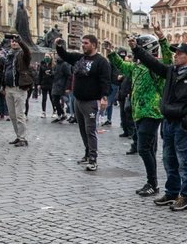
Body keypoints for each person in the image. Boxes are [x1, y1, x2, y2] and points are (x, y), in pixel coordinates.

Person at [132, 41, 187, 210]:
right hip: (168, 121)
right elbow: (153, 63)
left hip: (181, 123)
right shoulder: (172, 71)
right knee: (168, 159)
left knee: (184, 161)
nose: (175, 56)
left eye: (179, 54)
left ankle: (186, 196)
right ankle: (172, 192)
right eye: (175, 53)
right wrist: (137, 49)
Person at [110, 28, 171, 196]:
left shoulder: (157, 67)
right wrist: (111, 53)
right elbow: (122, 66)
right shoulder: (137, 67)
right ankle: (153, 183)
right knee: (148, 148)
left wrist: (162, 39)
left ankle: (152, 183)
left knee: (143, 148)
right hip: (138, 111)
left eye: (139, 48)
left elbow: (168, 58)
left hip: (151, 111)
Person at [55, 35, 113, 172]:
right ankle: (87, 153)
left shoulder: (101, 61)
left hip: (91, 101)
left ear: (94, 45)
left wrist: (104, 97)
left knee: (90, 130)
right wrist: (58, 46)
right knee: (82, 130)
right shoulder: (80, 58)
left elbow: (105, 80)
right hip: (78, 100)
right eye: (83, 43)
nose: (83, 45)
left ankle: (93, 159)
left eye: (86, 43)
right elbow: (65, 55)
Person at [2, 35, 33, 147]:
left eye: (16, 41)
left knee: (20, 114)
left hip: (19, 88)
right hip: (9, 87)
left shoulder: (23, 54)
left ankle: (23, 138)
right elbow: (5, 71)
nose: (14, 43)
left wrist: (21, 42)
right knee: (12, 115)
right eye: (12, 41)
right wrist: (3, 86)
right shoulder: (8, 55)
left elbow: (27, 51)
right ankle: (18, 135)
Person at [50, 54, 71, 122]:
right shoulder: (57, 65)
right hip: (56, 84)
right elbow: (56, 73)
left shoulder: (64, 64)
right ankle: (61, 114)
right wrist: (51, 73)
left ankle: (62, 114)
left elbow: (68, 75)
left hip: (61, 85)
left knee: (57, 100)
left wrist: (67, 86)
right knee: (55, 100)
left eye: (58, 55)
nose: (56, 56)